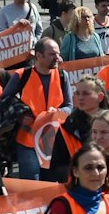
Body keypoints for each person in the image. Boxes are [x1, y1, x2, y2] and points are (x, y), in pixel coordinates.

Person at [9, 37, 68, 178]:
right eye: (52, 54)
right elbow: (5, 102)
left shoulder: (61, 75)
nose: (57, 58)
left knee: (50, 185)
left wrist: (58, 112)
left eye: (58, 54)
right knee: (32, 187)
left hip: (53, 141)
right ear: (39, 55)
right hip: (28, 142)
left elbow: (70, 106)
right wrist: (20, 115)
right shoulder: (22, 75)